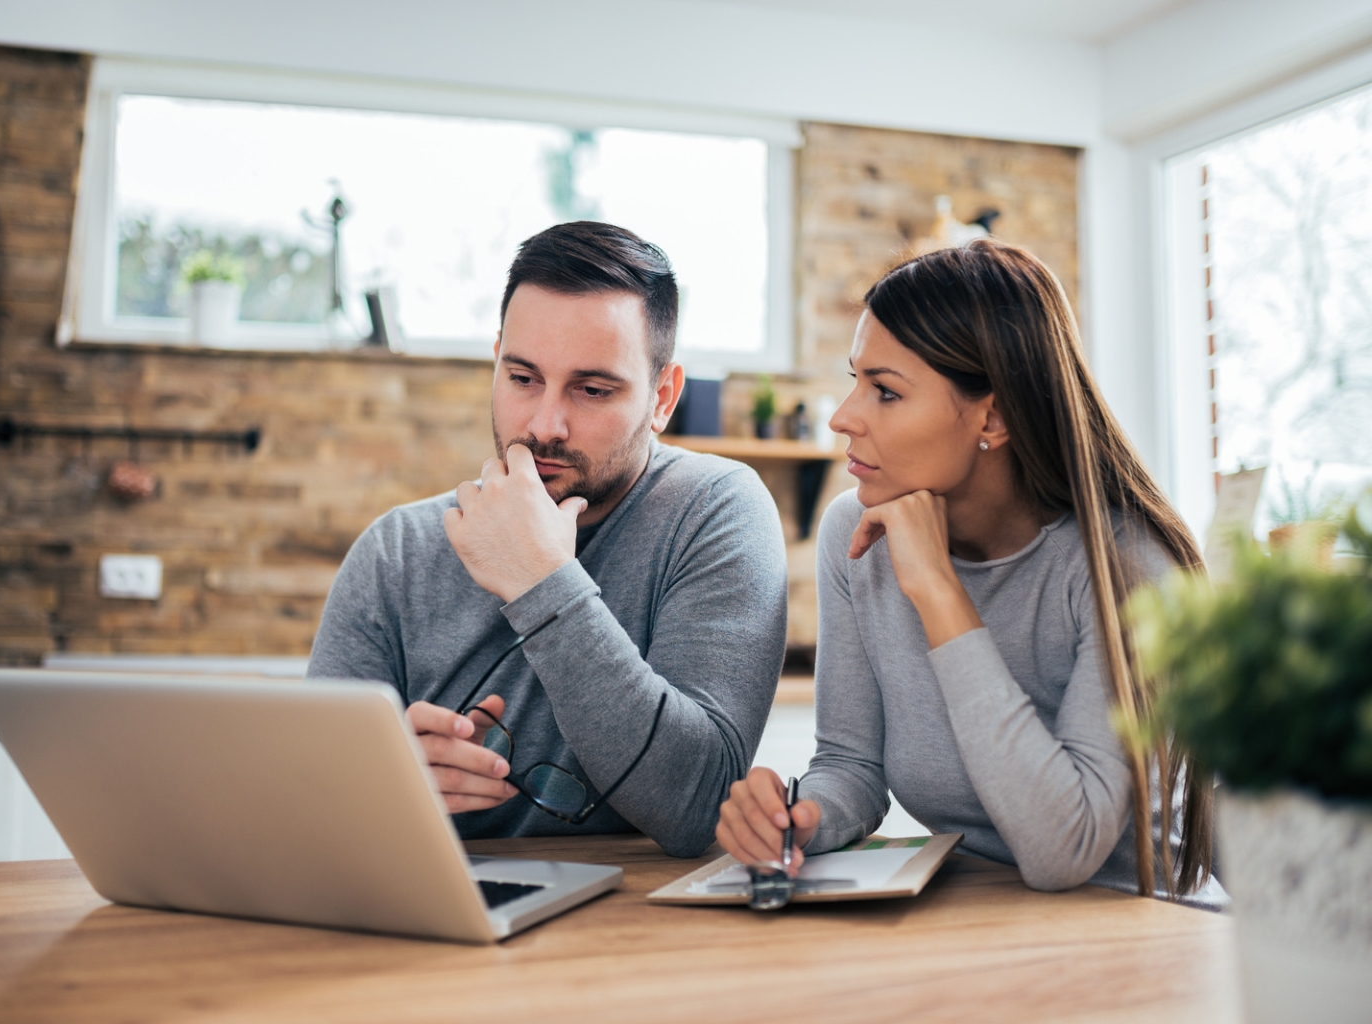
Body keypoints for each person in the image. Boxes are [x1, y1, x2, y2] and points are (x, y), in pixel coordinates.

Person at [715, 239, 1219, 903]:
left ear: (995, 415)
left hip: (1140, 929)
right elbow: (852, 767)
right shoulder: (856, 534)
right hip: (978, 913)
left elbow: (1063, 851)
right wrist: (802, 817)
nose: (844, 417)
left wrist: (937, 591)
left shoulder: (1125, 567)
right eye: (855, 381)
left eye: (886, 392)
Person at [308, 221, 787, 857]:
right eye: (523, 378)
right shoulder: (397, 551)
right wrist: (376, 789)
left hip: (643, 925)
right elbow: (310, 807)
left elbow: (696, 806)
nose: (544, 425)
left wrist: (539, 577)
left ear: (662, 397)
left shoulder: (714, 511)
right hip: (443, 908)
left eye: (592, 390)